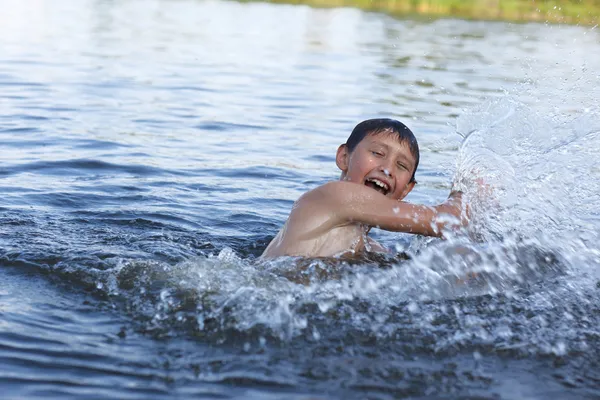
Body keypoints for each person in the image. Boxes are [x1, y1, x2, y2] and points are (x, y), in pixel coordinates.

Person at [261, 118, 465, 258]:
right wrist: (467, 187)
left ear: (406, 191)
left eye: (401, 166)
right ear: (344, 157)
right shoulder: (334, 196)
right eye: (377, 153)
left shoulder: (373, 250)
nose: (387, 169)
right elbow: (450, 219)